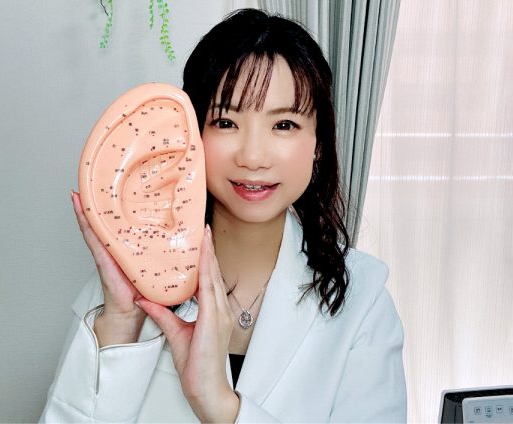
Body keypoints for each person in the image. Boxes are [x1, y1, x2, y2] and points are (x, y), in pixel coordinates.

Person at [40, 8, 406, 423]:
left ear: (319, 142)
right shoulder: (128, 281)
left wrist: (220, 405)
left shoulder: (363, 300)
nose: (253, 157)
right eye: (227, 122)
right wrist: (122, 323)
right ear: (192, 133)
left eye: (284, 125)